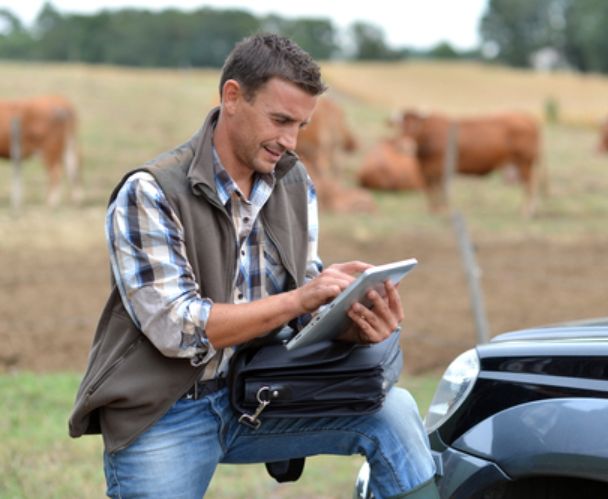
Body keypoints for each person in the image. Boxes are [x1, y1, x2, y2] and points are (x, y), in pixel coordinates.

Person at [68, 33, 437, 499]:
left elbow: (302, 299)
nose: (289, 140)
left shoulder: (294, 182)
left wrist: (348, 319)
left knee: (395, 414)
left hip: (260, 392)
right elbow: (176, 327)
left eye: (300, 125)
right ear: (232, 97)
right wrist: (301, 297)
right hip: (164, 411)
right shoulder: (150, 191)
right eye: (280, 120)